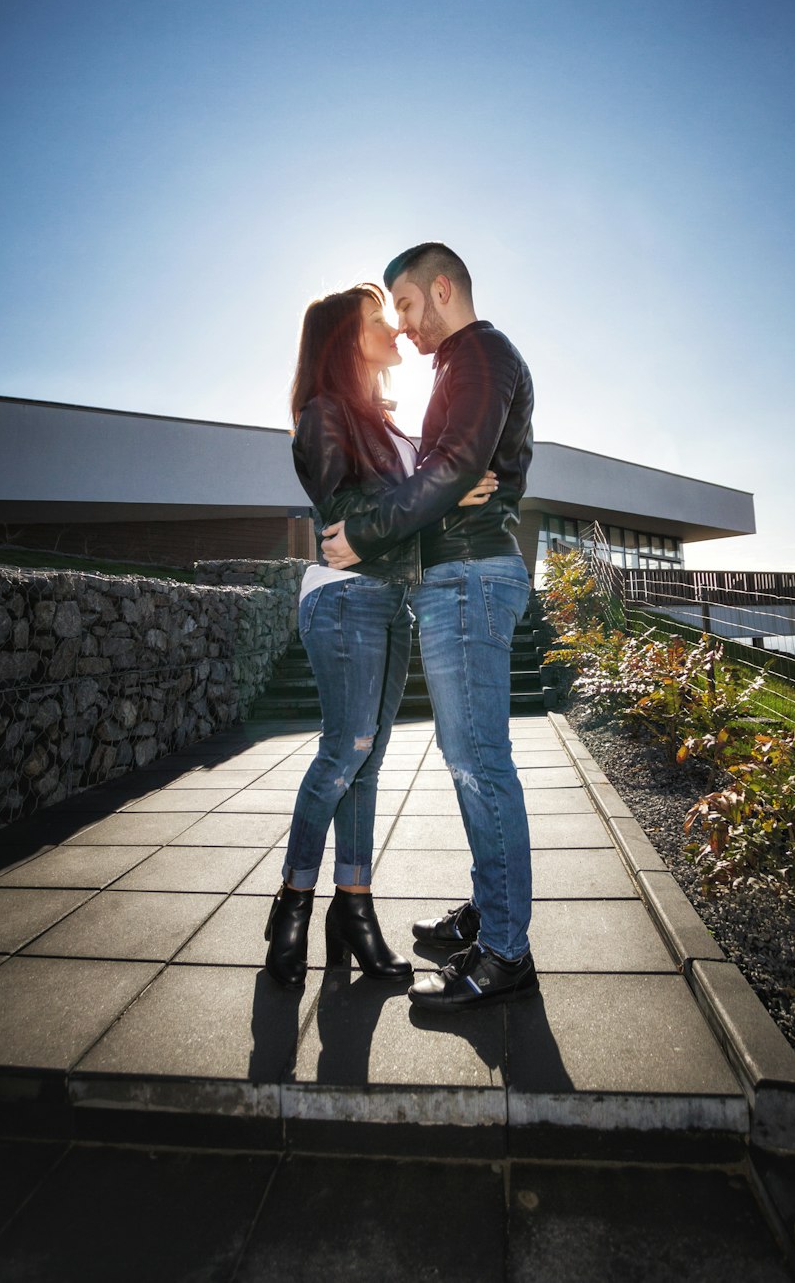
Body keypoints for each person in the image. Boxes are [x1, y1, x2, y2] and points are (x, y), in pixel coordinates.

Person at [321, 243, 538, 1012]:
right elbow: (447, 472)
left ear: (441, 289)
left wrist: (364, 532)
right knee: (470, 758)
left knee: (479, 761)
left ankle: (506, 953)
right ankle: (493, 912)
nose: (403, 328)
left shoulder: (479, 355)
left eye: (407, 306)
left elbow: (451, 470)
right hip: (461, 577)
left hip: (472, 578)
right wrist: (441, 478)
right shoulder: (463, 365)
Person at [265, 283, 496, 990]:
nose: (394, 329)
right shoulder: (324, 414)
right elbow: (350, 522)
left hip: (391, 606)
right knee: (344, 753)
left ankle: (355, 910)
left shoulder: (387, 419)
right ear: (345, 340)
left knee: (367, 764)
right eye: (377, 320)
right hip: (343, 603)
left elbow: (403, 517)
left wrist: (445, 488)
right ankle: (294, 904)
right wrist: (442, 488)